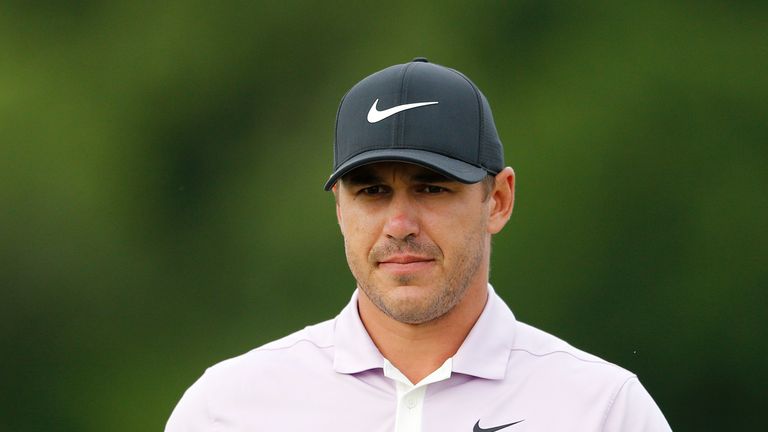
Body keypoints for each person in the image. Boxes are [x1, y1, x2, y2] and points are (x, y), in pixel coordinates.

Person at [165, 58, 672, 432]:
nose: (400, 223)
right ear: (340, 209)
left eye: (432, 187)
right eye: (372, 191)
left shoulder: (604, 410)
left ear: (497, 200)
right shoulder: (227, 409)